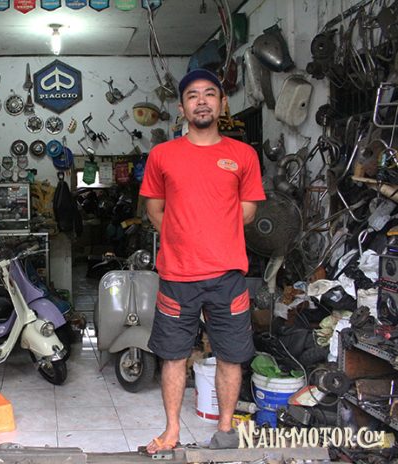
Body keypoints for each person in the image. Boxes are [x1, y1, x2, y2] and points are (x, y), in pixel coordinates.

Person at [138, 68, 265, 452]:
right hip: (178, 274)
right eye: (193, 96)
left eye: (210, 94)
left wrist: (210, 227)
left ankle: (225, 430)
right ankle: (172, 430)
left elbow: (248, 212)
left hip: (227, 274)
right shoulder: (162, 155)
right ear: (182, 108)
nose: (202, 101)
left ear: (222, 104)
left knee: (231, 355)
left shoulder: (242, 155)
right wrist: (185, 234)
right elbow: (154, 211)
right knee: (173, 356)